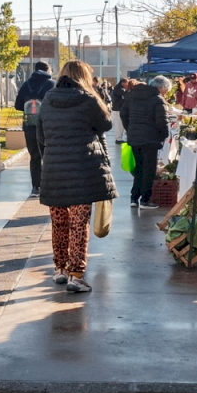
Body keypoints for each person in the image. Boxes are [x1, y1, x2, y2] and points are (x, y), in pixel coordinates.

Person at [36, 60, 117, 293]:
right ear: (83, 77)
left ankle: (59, 269)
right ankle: (76, 275)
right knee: (79, 224)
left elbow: (41, 137)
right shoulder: (89, 100)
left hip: (53, 170)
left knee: (59, 222)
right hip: (84, 169)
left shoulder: (48, 100)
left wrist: (51, 158)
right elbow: (106, 125)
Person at [121, 75, 172, 210]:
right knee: (149, 170)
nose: (166, 92)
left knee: (139, 168)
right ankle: (145, 199)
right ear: (161, 88)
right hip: (151, 138)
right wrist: (164, 135)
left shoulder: (132, 96)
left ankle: (134, 197)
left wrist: (130, 128)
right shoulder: (157, 100)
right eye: (166, 90)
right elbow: (162, 121)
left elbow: (123, 113)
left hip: (135, 137)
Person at [15, 61, 56, 198]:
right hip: (47, 125)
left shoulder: (26, 84)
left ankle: (36, 187)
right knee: (48, 155)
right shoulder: (52, 84)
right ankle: (49, 185)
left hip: (30, 125)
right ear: (48, 69)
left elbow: (18, 105)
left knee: (34, 156)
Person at [110, 78, 130, 143]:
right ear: (123, 83)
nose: (127, 84)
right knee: (119, 124)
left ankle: (119, 138)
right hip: (117, 109)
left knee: (120, 124)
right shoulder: (119, 89)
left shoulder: (118, 88)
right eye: (127, 83)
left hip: (117, 109)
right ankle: (118, 139)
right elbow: (124, 95)